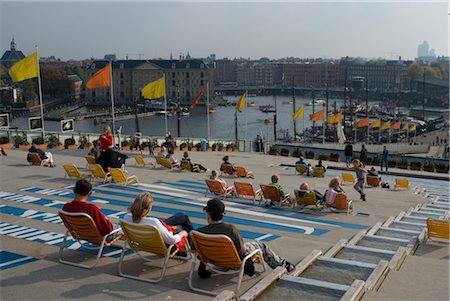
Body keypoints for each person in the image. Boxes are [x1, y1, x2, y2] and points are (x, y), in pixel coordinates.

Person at [196, 198, 295, 278]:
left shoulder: (198, 233)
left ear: (208, 214)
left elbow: (195, 251)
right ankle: (284, 265)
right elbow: (242, 250)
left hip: (212, 259)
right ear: (222, 214)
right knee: (261, 245)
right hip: (233, 262)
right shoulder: (230, 229)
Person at [123, 192, 192, 254]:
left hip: (145, 241)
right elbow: (171, 240)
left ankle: (194, 240)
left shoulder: (127, 218)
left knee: (182, 216)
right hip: (159, 244)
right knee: (183, 226)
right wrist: (182, 234)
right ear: (147, 211)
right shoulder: (153, 222)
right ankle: (194, 242)